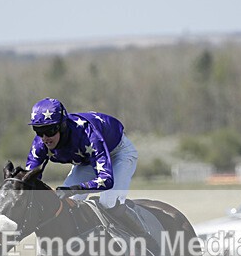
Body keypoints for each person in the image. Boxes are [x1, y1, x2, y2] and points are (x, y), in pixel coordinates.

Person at [24, 97, 150, 240]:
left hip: (118, 152)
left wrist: (73, 189)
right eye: (39, 131)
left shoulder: (88, 135)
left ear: (62, 126)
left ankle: (146, 237)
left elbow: (106, 180)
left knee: (108, 203)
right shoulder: (40, 144)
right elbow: (29, 180)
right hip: (87, 161)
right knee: (63, 203)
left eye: (50, 130)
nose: (45, 137)